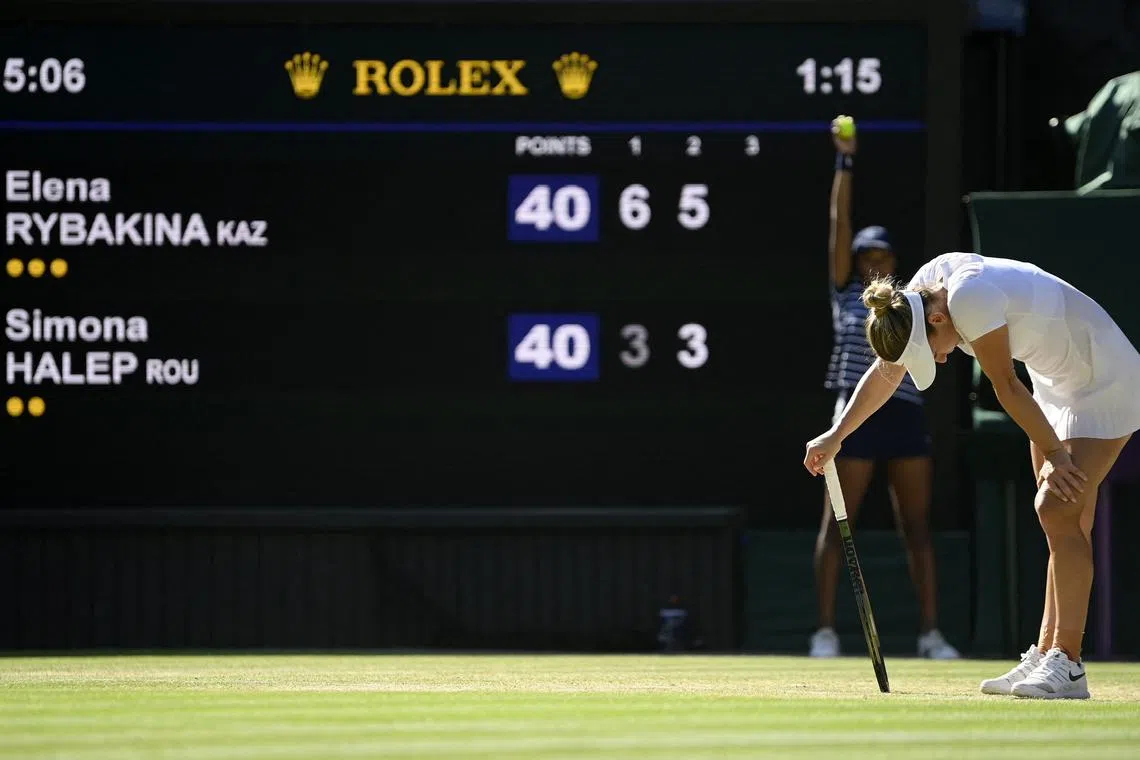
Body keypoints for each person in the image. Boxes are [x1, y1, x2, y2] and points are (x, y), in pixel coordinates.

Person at [803, 251, 1140, 699]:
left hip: (1102, 375)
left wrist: (1058, 454)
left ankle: (1070, 664)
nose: (940, 361)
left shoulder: (970, 296)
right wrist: (836, 434)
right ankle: (1046, 652)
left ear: (940, 320)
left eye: (933, 350)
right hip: (1054, 383)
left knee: (1057, 508)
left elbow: (1006, 385)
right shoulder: (920, 295)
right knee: (1062, 519)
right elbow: (888, 372)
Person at [811, 116, 959, 660]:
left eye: (881, 256)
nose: (871, 263)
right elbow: (838, 219)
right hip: (853, 415)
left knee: (917, 525)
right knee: (838, 522)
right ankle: (824, 632)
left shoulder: (908, 302)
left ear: (894, 264)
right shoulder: (844, 292)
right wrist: (844, 160)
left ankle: (930, 634)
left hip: (904, 415)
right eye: (863, 256)